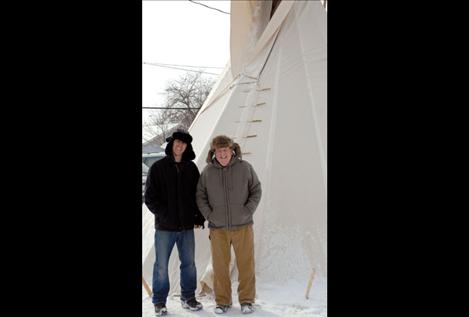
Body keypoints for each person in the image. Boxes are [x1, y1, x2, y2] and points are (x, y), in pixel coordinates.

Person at [196, 135, 262, 314]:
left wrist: (248, 210)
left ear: (232, 150)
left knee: (245, 265)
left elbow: (256, 189)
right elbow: (200, 196)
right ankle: (223, 301)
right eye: (219, 151)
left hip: (243, 226)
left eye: (225, 150)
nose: (223, 154)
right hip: (218, 229)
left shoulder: (245, 168)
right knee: (220, 266)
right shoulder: (208, 172)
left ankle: (247, 300)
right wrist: (210, 214)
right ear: (214, 152)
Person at [144, 129, 205, 316]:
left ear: (187, 147)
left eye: (183, 144)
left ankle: (188, 297)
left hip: (186, 226)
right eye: (177, 142)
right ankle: (159, 302)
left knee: (189, 264)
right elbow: (150, 198)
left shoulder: (191, 168)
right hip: (164, 228)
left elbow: (198, 196)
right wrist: (164, 215)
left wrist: (198, 216)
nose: (180, 146)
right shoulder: (158, 168)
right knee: (161, 265)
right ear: (172, 144)